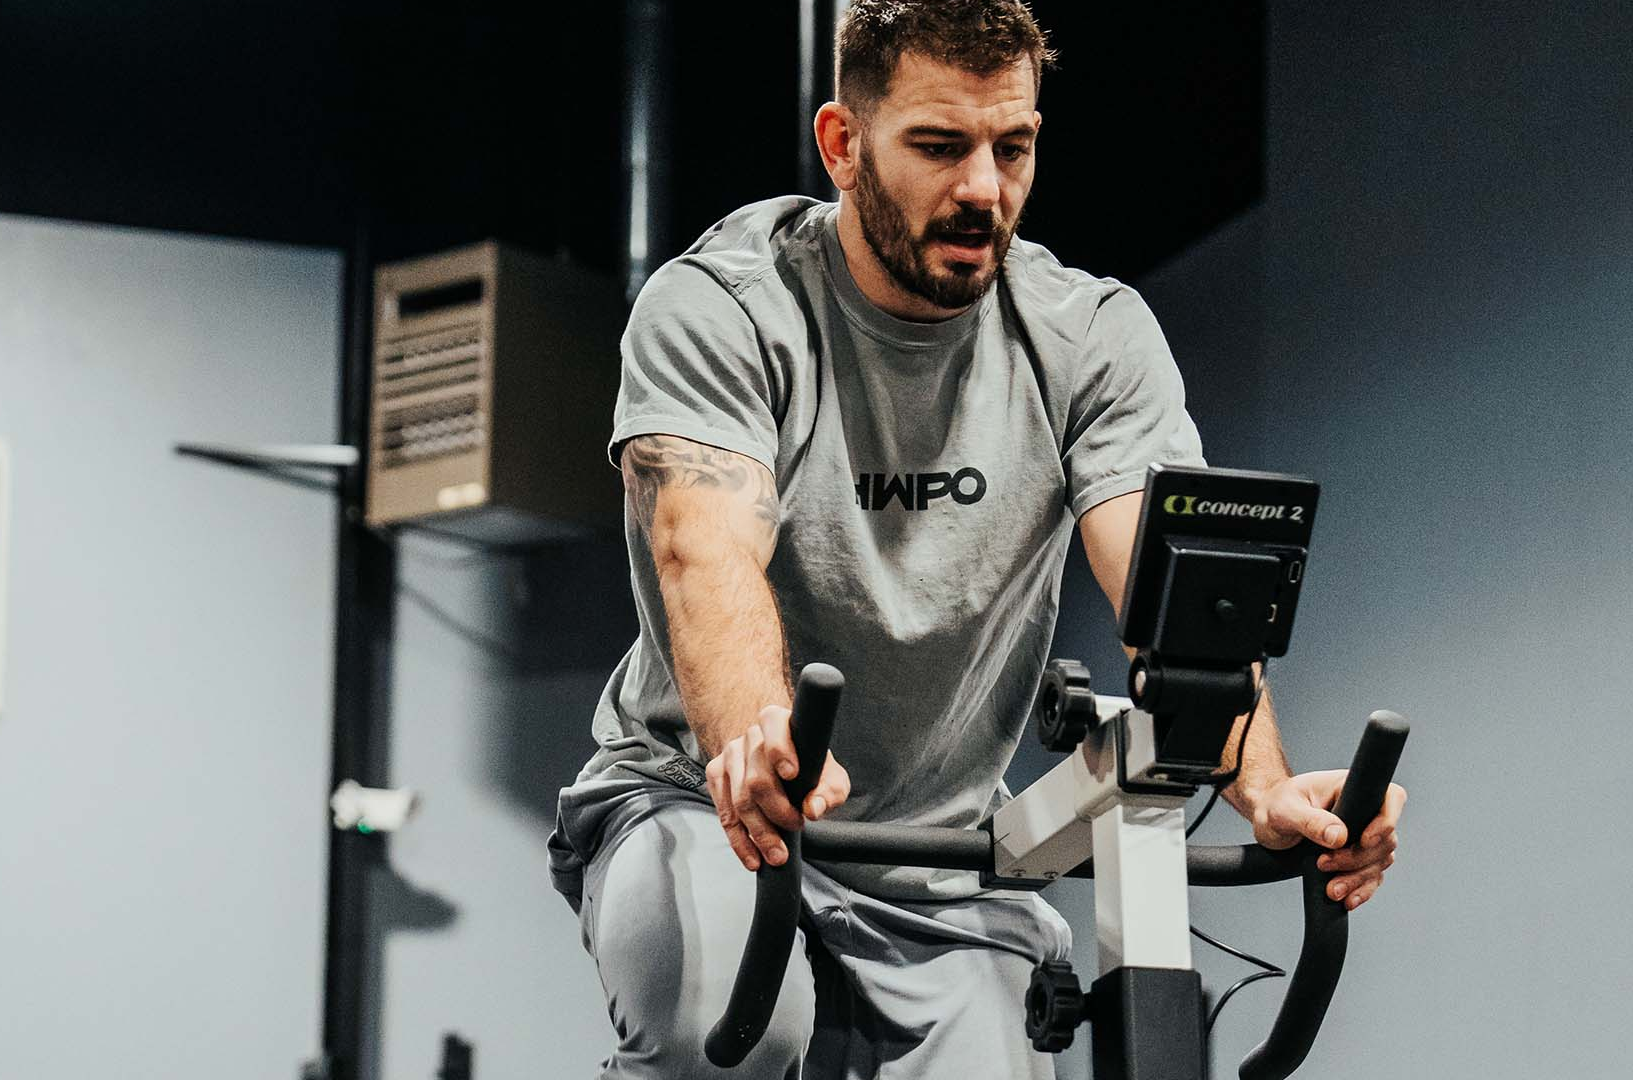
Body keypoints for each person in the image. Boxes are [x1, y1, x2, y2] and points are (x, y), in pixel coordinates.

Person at [548, 2, 1407, 1076]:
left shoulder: (1088, 337)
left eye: (1015, 147)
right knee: (725, 1034)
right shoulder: (726, 306)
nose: (984, 192)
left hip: (939, 853)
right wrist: (755, 742)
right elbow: (700, 550)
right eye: (940, 147)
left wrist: (1265, 787)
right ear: (843, 144)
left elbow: (1167, 596)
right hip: (701, 796)